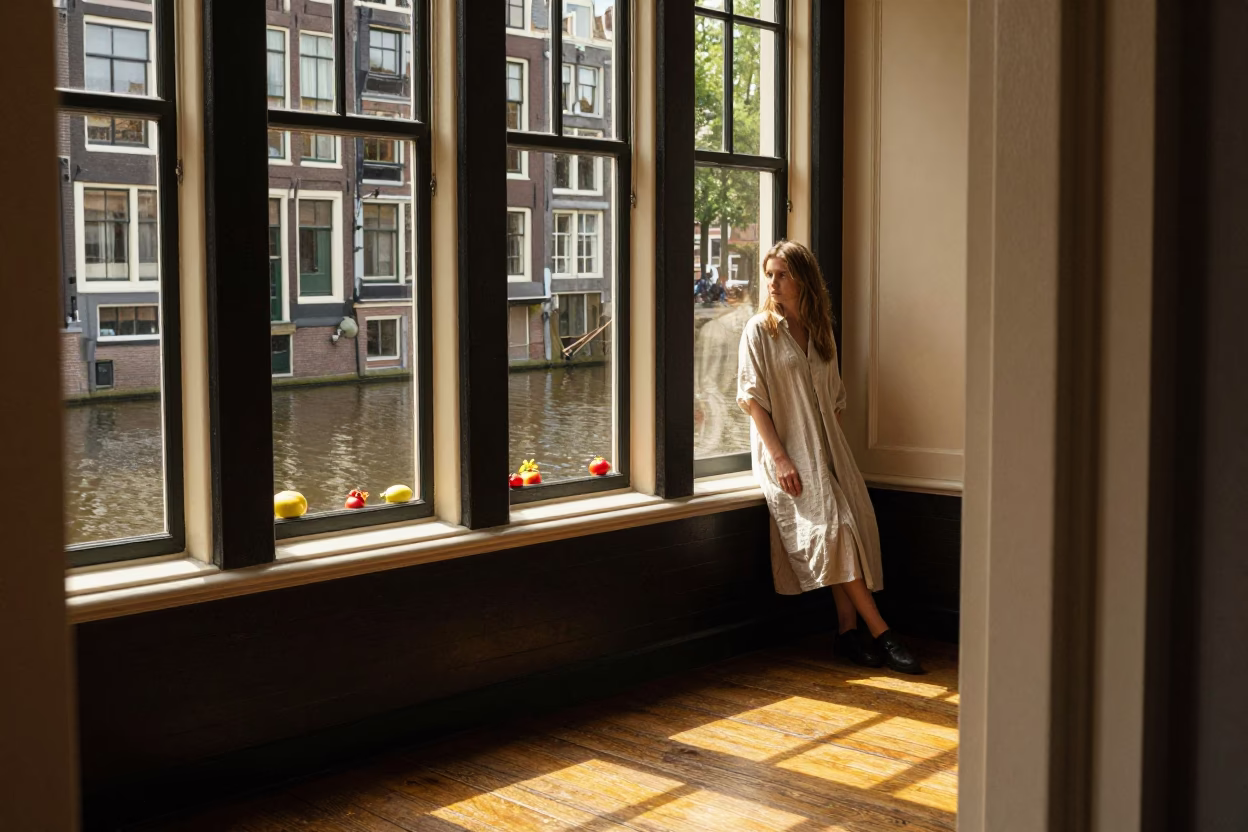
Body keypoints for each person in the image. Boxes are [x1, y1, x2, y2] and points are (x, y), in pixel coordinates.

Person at [736, 240, 923, 674]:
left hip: (829, 452)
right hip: (787, 457)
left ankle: (847, 633)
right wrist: (782, 459)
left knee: (853, 527)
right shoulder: (759, 332)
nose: (773, 282)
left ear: (803, 279)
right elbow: (752, 402)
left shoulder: (820, 331)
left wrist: (836, 459)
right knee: (835, 531)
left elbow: (835, 399)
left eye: (782, 274)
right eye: (769, 274)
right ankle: (883, 632)